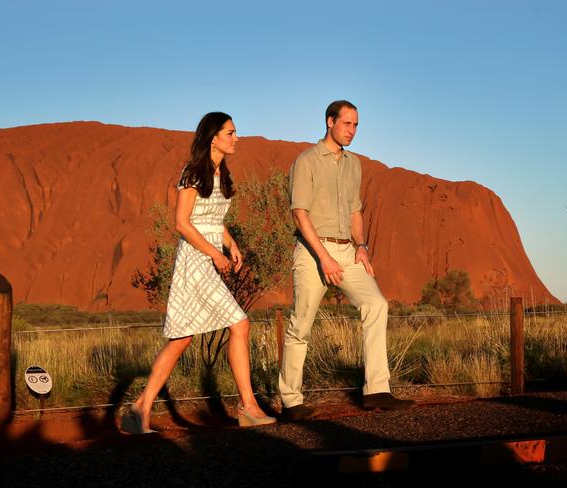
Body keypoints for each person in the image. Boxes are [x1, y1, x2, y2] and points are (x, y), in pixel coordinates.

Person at [122, 112, 276, 433]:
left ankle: (140, 408)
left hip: (208, 257)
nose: (236, 138)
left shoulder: (221, 173)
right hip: (195, 261)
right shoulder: (193, 173)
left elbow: (212, 219)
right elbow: (182, 223)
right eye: (230, 133)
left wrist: (230, 244)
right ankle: (247, 406)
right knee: (240, 323)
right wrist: (213, 255)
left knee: (181, 339)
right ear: (213, 137)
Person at [278, 100, 415, 420]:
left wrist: (362, 246)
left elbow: (356, 211)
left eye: (356, 125)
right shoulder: (307, 161)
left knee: (376, 304)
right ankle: (291, 401)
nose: (352, 131)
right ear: (329, 122)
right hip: (314, 251)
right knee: (301, 325)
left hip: (347, 250)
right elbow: (300, 213)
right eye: (346, 124)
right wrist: (323, 257)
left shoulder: (354, 164)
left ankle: (377, 390)